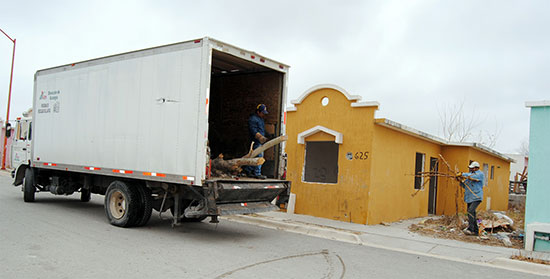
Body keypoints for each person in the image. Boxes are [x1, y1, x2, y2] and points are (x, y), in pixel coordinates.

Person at [457, 161, 485, 236]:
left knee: (470, 211)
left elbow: (473, 177)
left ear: (477, 168)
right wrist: (460, 180)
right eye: (471, 168)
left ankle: (470, 229)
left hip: (476, 196)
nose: (471, 169)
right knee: (472, 213)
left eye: (473, 168)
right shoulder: (469, 177)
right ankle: (475, 231)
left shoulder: (479, 174)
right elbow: (465, 186)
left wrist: (462, 174)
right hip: (469, 197)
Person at [245, 104, 269, 179]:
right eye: (262, 113)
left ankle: (248, 170)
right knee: (259, 156)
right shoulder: (253, 119)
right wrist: (260, 137)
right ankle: (257, 173)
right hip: (255, 142)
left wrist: (268, 135)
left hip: (259, 142)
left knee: (253, 156)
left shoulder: (260, 119)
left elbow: (262, 129)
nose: (263, 115)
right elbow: (253, 130)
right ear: (258, 112)